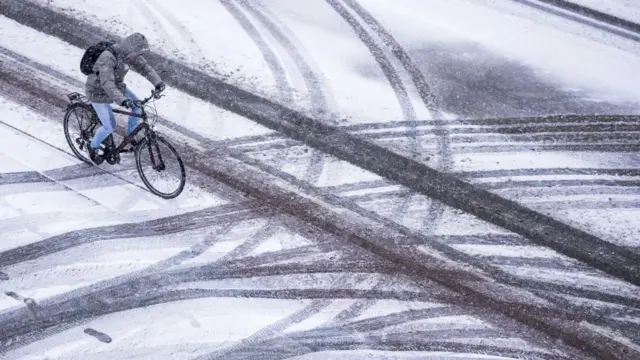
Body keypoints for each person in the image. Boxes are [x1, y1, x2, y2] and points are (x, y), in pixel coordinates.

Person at [84, 32, 166, 162]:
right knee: (109, 126)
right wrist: (123, 100)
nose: (137, 58)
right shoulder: (108, 58)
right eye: (136, 54)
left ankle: (129, 137)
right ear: (129, 49)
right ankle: (93, 147)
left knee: (138, 107)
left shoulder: (130, 56)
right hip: (97, 91)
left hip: (117, 86)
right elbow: (107, 83)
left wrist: (158, 83)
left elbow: (145, 68)